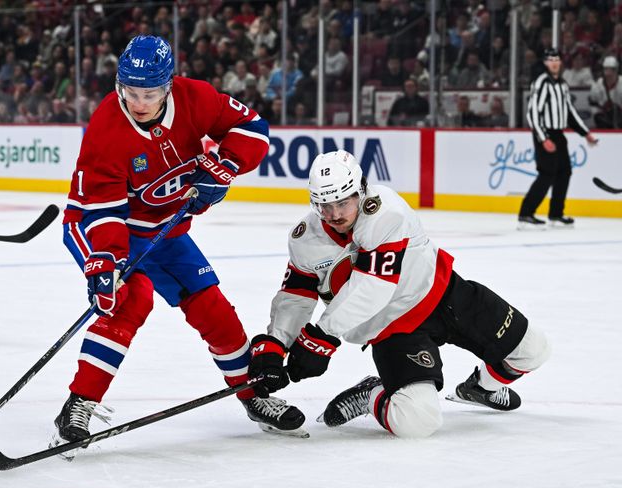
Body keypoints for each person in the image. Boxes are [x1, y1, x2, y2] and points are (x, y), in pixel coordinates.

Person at [56, 35, 306, 449]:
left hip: (163, 230)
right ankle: (79, 403)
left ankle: (252, 395)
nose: (138, 101)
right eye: (130, 91)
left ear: (168, 85)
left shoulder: (196, 98)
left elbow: (252, 128)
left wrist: (225, 164)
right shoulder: (106, 128)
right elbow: (102, 211)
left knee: (214, 311)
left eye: (149, 92)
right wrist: (107, 264)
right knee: (128, 300)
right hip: (100, 227)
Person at [247, 149, 552, 438]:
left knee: (533, 350)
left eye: (343, 202)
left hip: (445, 295)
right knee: (418, 421)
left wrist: (322, 337)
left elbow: (374, 286)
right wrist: (276, 344)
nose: (335, 214)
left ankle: (482, 388)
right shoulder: (305, 239)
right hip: (392, 330)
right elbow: (295, 296)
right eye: (325, 206)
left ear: (361, 190)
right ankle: (372, 395)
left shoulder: (385, 211)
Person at [520, 49, 598, 229]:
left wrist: (585, 133)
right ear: (546, 63)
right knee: (546, 174)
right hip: (545, 133)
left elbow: (569, 112)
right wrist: (543, 138)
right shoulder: (541, 83)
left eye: (557, 59)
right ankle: (526, 214)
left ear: (560, 63)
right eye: (550, 60)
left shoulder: (562, 84)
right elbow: (533, 114)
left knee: (564, 172)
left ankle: (556, 214)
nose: (554, 62)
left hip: (559, 134)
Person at [589, 56, 622, 129]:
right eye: (606, 69)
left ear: (617, 70)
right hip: (604, 121)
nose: (609, 72)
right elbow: (593, 105)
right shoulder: (597, 85)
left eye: (612, 69)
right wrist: (598, 115)